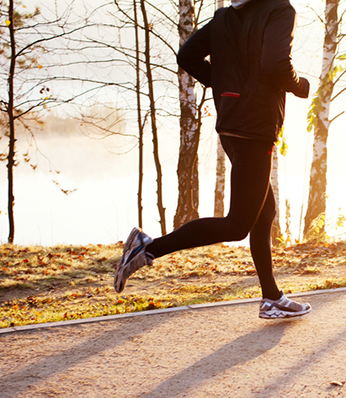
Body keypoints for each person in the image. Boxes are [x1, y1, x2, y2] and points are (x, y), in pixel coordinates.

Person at [114, 0, 312, 319]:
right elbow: (275, 65)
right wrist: (299, 86)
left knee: (265, 211)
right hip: (255, 127)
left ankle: (272, 297)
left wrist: (221, 85)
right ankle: (147, 248)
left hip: (232, 124)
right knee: (238, 225)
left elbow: (187, 56)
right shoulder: (279, 9)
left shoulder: (224, 17)